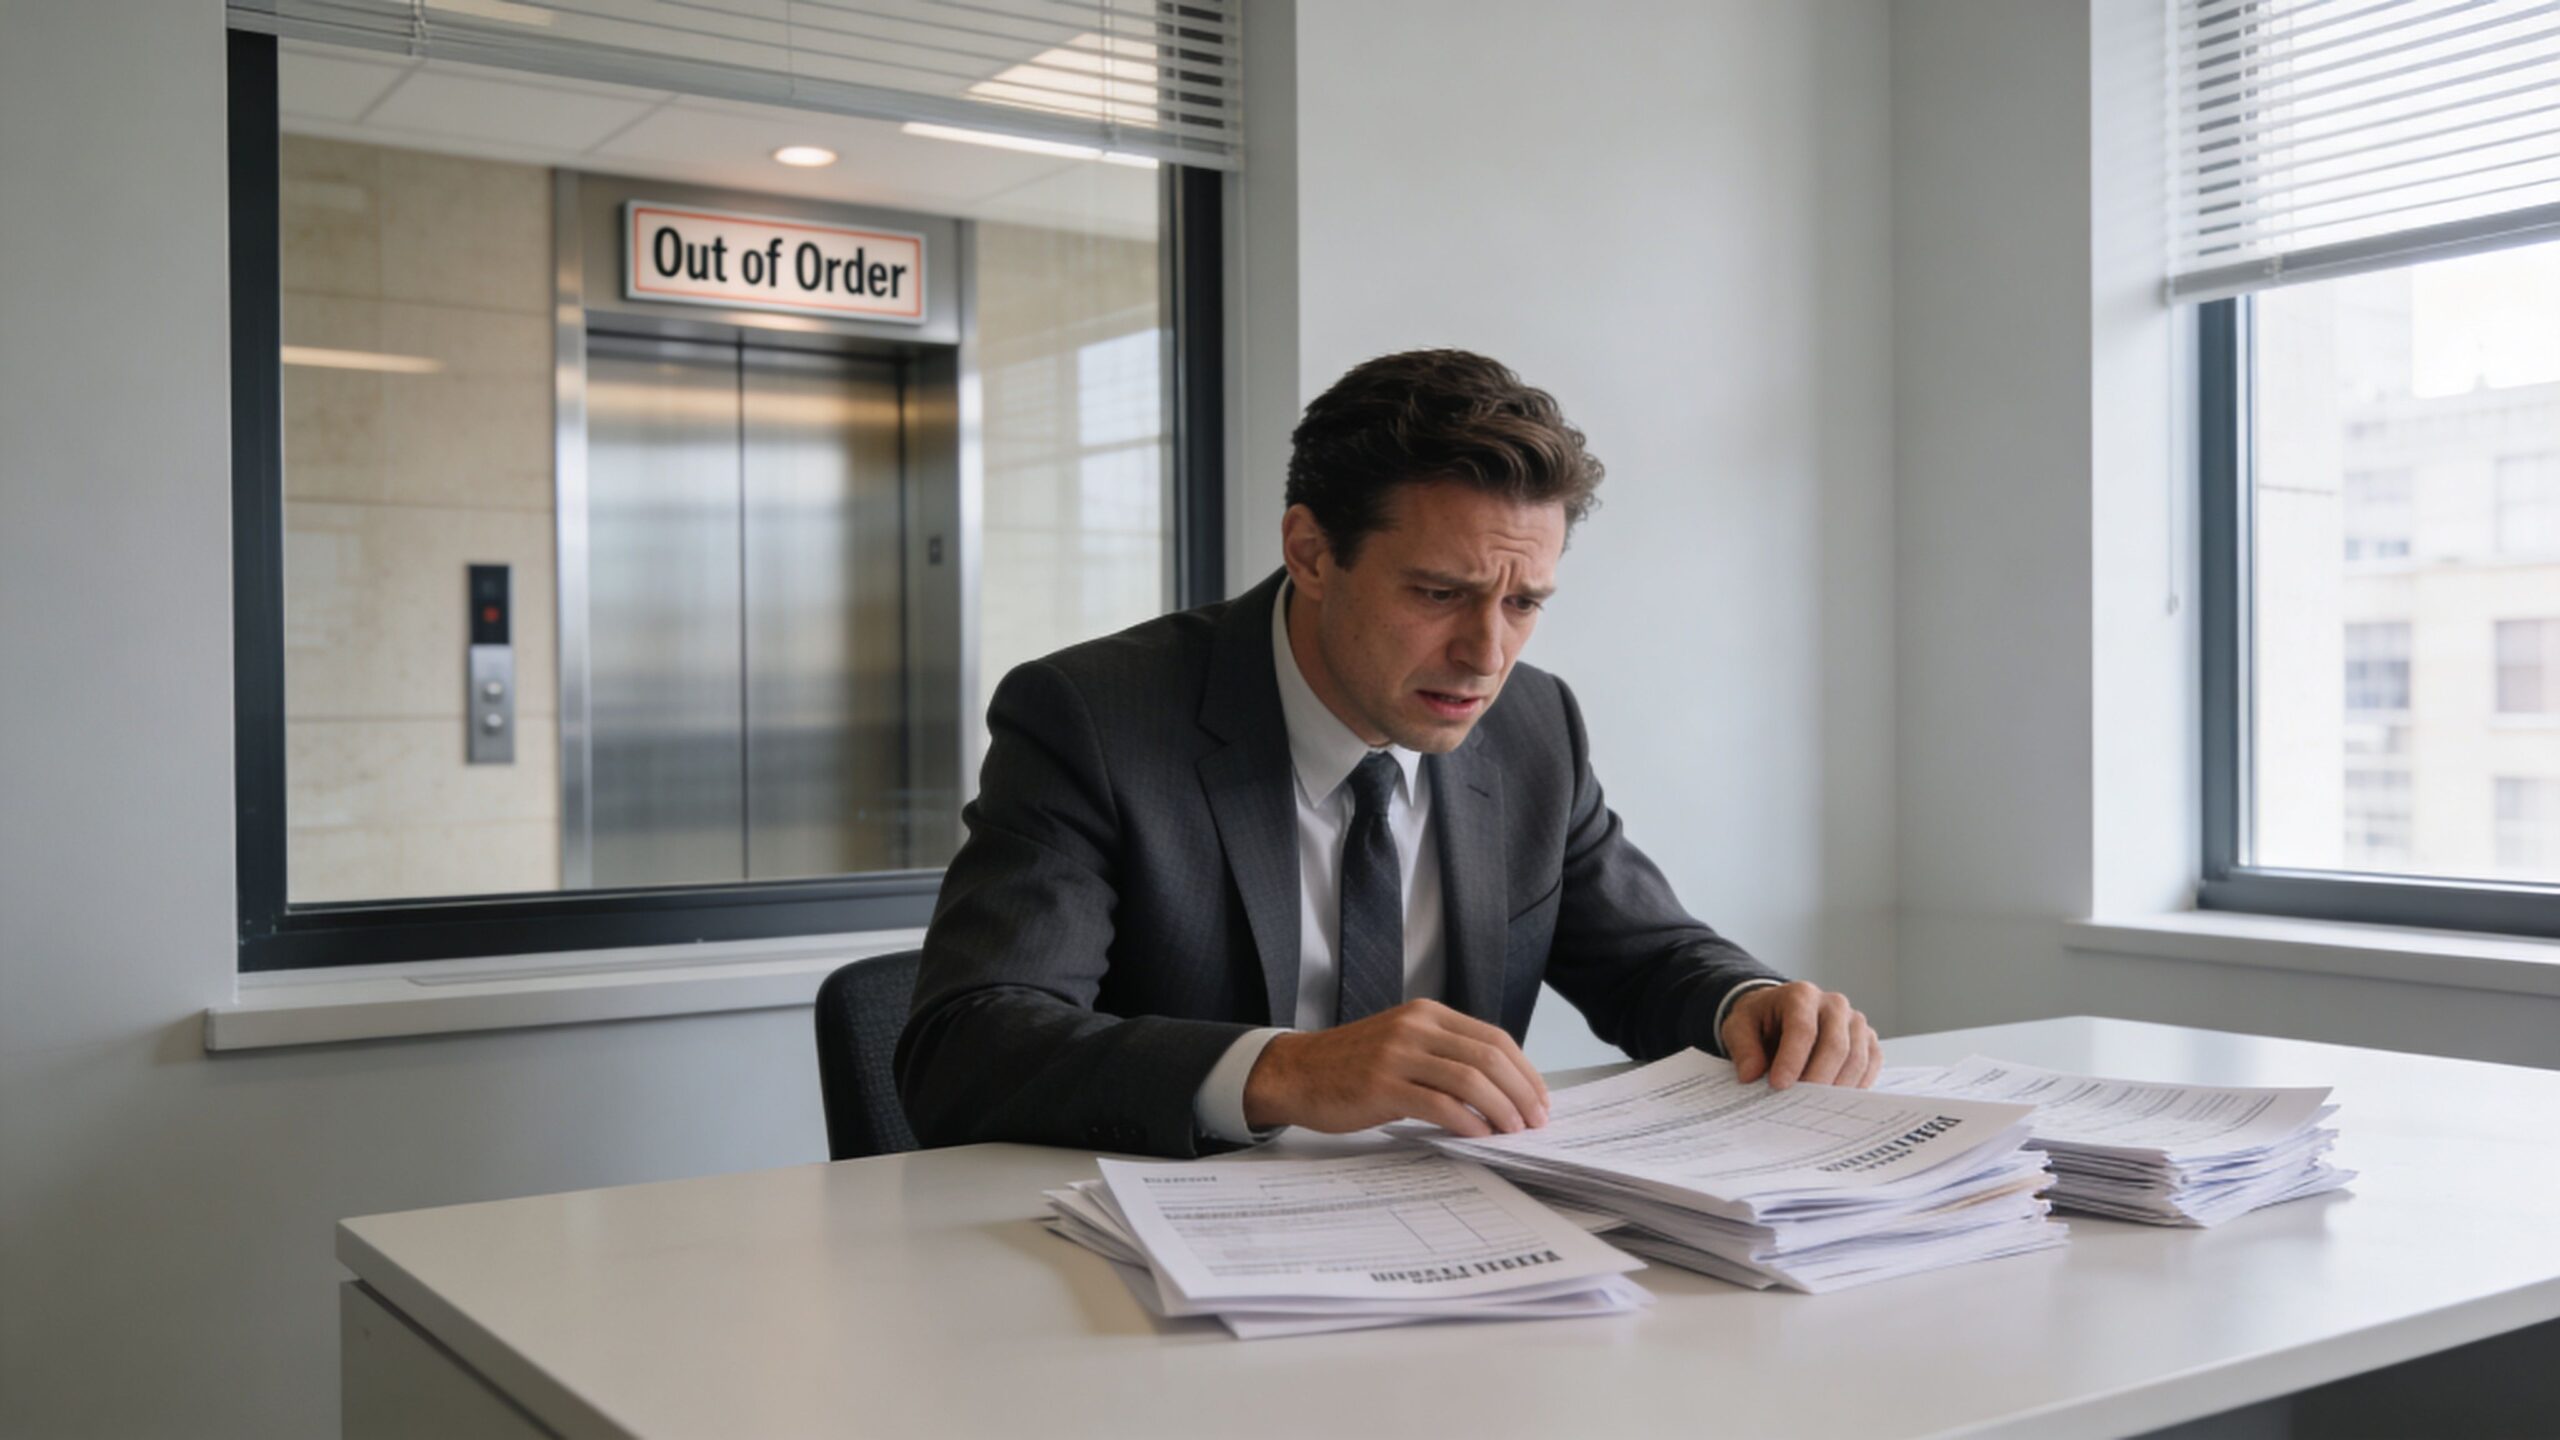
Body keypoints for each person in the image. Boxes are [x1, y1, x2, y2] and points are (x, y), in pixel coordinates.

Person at [896, 349, 1880, 1157]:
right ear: (1312, 552)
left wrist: (1749, 1003)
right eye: (1439, 594)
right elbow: (968, 1044)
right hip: (1156, 1255)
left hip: (1457, 1241)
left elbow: (1645, 956)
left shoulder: (1534, 725)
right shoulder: (1097, 718)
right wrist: (1283, 1070)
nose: (1485, 655)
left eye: (1524, 603)